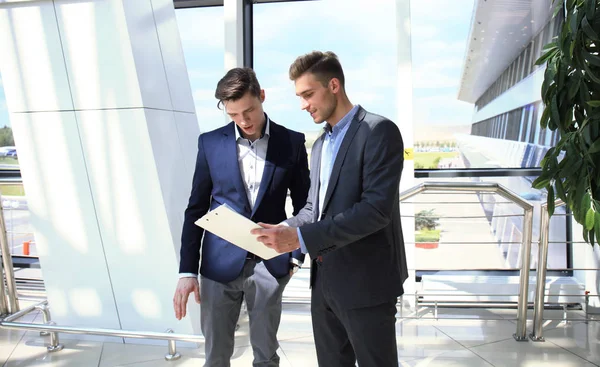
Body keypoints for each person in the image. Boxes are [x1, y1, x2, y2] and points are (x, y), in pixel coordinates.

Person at [252, 51, 408, 367]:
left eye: (308, 94)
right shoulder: (320, 144)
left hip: (367, 283)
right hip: (324, 283)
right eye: (299, 96)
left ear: (333, 85)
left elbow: (375, 211)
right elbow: (314, 206)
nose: (303, 105)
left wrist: (300, 238)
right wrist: (284, 228)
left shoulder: (379, 132)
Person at [174, 67, 310, 367]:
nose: (243, 121)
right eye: (234, 115)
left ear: (262, 96)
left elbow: (305, 205)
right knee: (216, 356)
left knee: (266, 354)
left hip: (269, 264)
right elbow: (195, 208)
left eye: (248, 111)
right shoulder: (209, 143)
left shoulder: (291, 142)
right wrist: (187, 272)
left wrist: (296, 257)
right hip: (217, 266)